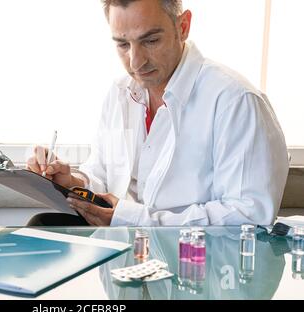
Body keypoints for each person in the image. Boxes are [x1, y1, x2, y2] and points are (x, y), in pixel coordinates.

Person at [26, 0, 289, 227]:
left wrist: (134, 219)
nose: (135, 62)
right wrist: (71, 181)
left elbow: (250, 215)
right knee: (39, 227)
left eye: (150, 41)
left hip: (199, 273)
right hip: (123, 269)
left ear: (183, 27)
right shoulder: (119, 94)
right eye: (122, 45)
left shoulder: (235, 102)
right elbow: (104, 178)